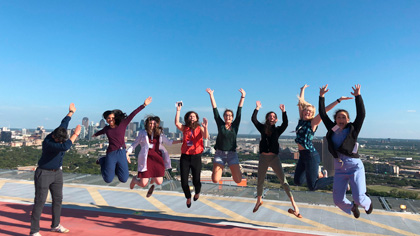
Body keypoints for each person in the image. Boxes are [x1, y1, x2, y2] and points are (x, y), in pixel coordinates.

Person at [319, 84, 373, 218]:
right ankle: (352, 207)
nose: (341, 120)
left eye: (343, 117)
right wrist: (321, 96)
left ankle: (367, 203)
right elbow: (322, 114)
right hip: (339, 168)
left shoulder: (353, 129)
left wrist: (358, 96)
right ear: (335, 120)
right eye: (338, 117)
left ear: (348, 119)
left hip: (354, 166)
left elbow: (361, 114)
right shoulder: (332, 129)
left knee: (359, 198)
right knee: (337, 200)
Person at [30, 103, 81, 236]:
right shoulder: (50, 143)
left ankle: (55, 225)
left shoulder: (59, 132)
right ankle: (34, 231)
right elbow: (66, 146)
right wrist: (75, 134)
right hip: (44, 173)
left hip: (57, 173)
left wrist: (71, 112)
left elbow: (64, 123)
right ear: (54, 136)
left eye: (62, 140)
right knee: (40, 202)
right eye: (59, 140)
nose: (61, 142)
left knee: (58, 200)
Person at [294, 84, 351, 191]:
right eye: (306, 110)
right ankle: (319, 175)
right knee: (297, 181)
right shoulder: (301, 120)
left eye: (310, 111)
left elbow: (324, 111)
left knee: (313, 186)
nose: (307, 112)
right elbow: (300, 103)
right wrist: (302, 90)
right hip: (302, 155)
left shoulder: (313, 122)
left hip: (311, 155)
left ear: (312, 114)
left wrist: (338, 100)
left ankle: (341, 177)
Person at [251, 101, 301, 218]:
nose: (272, 117)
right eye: (270, 116)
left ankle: (295, 205)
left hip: (274, 158)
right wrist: (257, 108)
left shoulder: (278, 130)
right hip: (263, 157)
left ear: (276, 120)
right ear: (267, 118)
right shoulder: (262, 128)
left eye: (274, 116)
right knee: (260, 181)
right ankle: (259, 201)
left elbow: (286, 123)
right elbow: (254, 119)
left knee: (283, 181)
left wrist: (284, 112)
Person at [93, 97, 152, 183]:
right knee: (108, 179)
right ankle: (102, 160)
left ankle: (113, 166)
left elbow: (133, 114)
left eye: (112, 117)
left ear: (115, 117)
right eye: (108, 118)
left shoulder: (122, 124)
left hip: (121, 153)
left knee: (124, 179)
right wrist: (95, 134)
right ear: (106, 120)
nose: (110, 120)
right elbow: (101, 131)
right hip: (111, 153)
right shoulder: (107, 128)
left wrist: (144, 105)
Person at [128, 116, 181, 197]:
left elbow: (169, 142)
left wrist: (181, 141)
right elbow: (135, 143)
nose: (152, 125)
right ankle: (135, 179)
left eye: (154, 123)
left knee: (159, 182)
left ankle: (152, 177)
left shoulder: (159, 133)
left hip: (157, 158)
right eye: (150, 123)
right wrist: (127, 152)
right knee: (143, 184)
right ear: (147, 124)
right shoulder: (142, 132)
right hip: (146, 159)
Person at [206, 88, 245, 184]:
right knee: (215, 180)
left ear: (232, 117)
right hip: (220, 154)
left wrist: (242, 96)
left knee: (238, 180)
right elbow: (215, 110)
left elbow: (239, 111)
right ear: (224, 117)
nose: (228, 117)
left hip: (232, 154)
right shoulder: (221, 125)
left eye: (230, 115)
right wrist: (211, 95)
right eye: (226, 115)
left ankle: (238, 170)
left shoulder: (235, 126)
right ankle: (217, 169)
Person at [175, 103, 209, 208]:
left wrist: (206, 127)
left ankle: (197, 192)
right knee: (184, 181)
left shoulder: (199, 127)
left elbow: (206, 136)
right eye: (190, 116)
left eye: (194, 116)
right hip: (185, 156)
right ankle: (188, 197)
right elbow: (177, 123)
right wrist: (178, 110)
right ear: (187, 118)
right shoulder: (185, 128)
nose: (192, 118)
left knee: (196, 180)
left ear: (197, 118)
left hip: (196, 156)